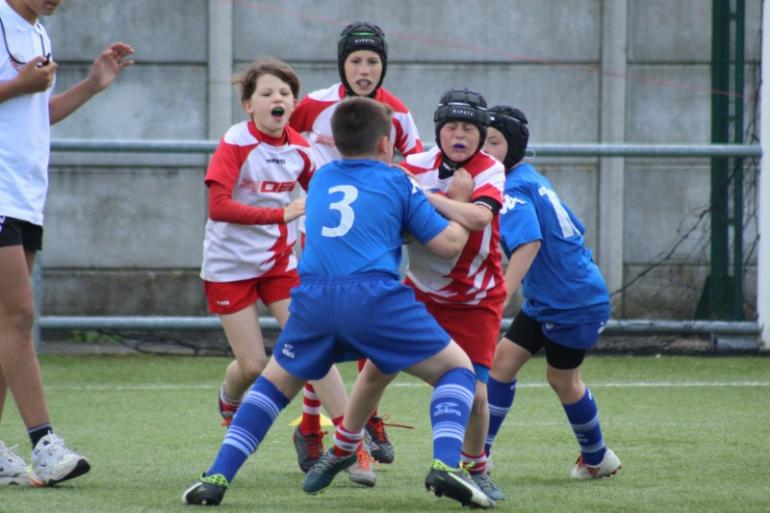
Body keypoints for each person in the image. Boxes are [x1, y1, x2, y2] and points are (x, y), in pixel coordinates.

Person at [182, 97, 493, 509]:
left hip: (312, 298)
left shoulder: (324, 176)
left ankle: (215, 477)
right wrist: (458, 200)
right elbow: (448, 245)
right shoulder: (396, 180)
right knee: (458, 371)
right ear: (386, 144)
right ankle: (445, 464)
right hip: (373, 297)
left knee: (273, 386)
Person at [0, 0, 133, 487]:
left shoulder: (36, 33)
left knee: (5, 326)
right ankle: (45, 444)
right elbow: (20, 93)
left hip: (25, 195)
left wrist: (92, 85)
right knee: (18, 318)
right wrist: (19, 85)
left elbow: (35, 114)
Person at [288, 20, 423, 481]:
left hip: (375, 238)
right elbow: (282, 146)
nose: (364, 70)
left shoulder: (398, 112)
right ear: (341, 65)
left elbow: (415, 166)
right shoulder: (312, 108)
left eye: (373, 61)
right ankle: (338, 429)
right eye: (355, 61)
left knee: (371, 332)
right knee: (326, 336)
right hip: (323, 240)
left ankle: (343, 421)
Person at [201, 57, 346, 444]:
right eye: (266, 93)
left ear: (294, 104)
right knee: (252, 366)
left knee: (315, 342)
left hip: (279, 264)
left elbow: (326, 197)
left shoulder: (301, 148)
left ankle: (353, 439)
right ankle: (229, 398)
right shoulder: (236, 142)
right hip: (228, 266)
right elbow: (218, 207)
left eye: (285, 93)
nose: (277, 99)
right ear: (249, 105)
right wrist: (280, 214)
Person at [482, 105, 622, 479]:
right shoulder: (531, 177)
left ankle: (597, 458)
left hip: (571, 302)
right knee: (502, 363)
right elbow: (575, 226)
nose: (484, 149)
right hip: (553, 299)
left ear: (512, 148)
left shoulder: (510, 187)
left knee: (562, 380)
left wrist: (502, 295)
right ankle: (480, 454)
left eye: (493, 142)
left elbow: (528, 241)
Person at [397, 88, 507, 501]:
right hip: (421, 291)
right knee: (374, 367)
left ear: (480, 134)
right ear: (438, 131)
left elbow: (480, 217)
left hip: (476, 298)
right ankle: (349, 447)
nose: (458, 136)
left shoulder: (489, 168)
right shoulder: (414, 166)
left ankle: (475, 466)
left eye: (467, 128)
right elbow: (400, 215)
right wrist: (448, 201)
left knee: (478, 393)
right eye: (450, 127)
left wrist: (431, 200)